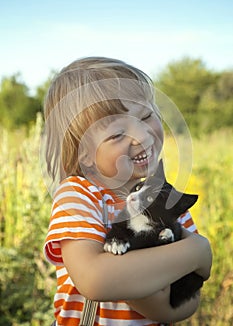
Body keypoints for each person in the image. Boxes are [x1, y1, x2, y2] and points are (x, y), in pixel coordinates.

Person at [43, 57, 212, 326]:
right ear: (84, 154)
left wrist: (154, 292)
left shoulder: (166, 202)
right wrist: (198, 251)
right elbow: (94, 279)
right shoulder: (79, 196)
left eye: (145, 116)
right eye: (117, 133)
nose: (141, 136)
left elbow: (185, 302)